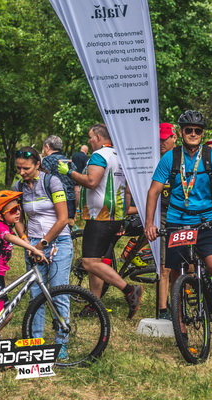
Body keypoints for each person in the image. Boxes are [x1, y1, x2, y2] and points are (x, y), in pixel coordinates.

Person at [144, 110, 212, 342]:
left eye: (198, 130)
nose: (194, 134)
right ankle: (180, 325)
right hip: (177, 221)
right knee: (176, 273)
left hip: (206, 221)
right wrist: (149, 223)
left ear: (202, 133)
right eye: (189, 130)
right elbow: (154, 191)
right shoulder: (170, 158)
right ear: (181, 132)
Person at [59, 124, 142, 319]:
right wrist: (123, 214)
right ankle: (94, 304)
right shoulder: (119, 155)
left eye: (90, 137)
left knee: (89, 262)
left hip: (100, 216)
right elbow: (127, 190)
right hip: (114, 215)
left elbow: (91, 182)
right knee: (97, 261)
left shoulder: (99, 155)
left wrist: (69, 172)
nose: (89, 141)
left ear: (98, 137)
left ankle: (130, 290)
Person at [13, 147, 72, 358]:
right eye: (18, 168)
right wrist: (26, 241)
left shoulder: (52, 182)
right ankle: (35, 342)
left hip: (58, 242)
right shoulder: (18, 186)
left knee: (58, 292)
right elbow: (17, 218)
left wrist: (44, 243)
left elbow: (63, 218)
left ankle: (61, 343)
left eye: (26, 168)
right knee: (36, 295)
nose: (22, 172)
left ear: (38, 164)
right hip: (33, 244)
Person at [0, 190, 47, 325]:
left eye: (18, 208)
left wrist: (28, 246)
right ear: (0, 216)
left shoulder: (7, 226)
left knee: (7, 315)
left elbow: (17, 236)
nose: (18, 213)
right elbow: (10, 238)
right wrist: (32, 248)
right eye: (13, 210)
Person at [157, 122, 177, 320]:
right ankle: (163, 309)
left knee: (188, 264)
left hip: (184, 214)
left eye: (164, 139)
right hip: (162, 214)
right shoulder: (155, 159)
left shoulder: (184, 157)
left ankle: (181, 302)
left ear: (174, 137)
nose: (161, 143)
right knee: (165, 265)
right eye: (159, 140)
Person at [41, 135, 77, 221]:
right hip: (70, 201)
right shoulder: (70, 162)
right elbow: (76, 186)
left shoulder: (47, 160)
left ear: (47, 147)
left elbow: (43, 180)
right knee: (68, 224)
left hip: (55, 200)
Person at [71, 144, 89, 215]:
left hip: (73, 175)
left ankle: (74, 207)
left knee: (75, 190)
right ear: (86, 151)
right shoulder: (85, 157)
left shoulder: (74, 155)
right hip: (81, 176)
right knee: (79, 192)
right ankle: (79, 206)